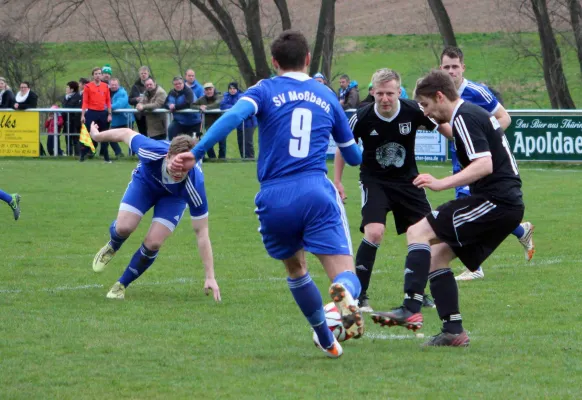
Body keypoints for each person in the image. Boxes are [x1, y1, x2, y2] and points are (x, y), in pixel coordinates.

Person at [169, 30, 364, 358]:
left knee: (296, 269)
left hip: (273, 198)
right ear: (307, 60)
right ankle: (342, 297)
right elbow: (354, 158)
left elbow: (231, 117)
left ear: (274, 63)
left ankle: (326, 339)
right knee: (346, 274)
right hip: (315, 190)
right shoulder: (327, 95)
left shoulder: (263, 90)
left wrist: (197, 152)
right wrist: (357, 144)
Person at [371, 70, 525, 347]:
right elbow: (468, 143)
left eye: (428, 106)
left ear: (440, 96)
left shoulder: (465, 115)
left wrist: (441, 183)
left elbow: (484, 165)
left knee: (418, 231)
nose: (427, 113)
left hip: (496, 202)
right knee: (436, 258)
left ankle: (410, 308)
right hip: (501, 203)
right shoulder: (470, 115)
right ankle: (453, 331)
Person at [334, 68, 449, 312]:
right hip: (375, 181)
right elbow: (342, 148)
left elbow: (444, 127)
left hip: (409, 182)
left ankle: (418, 293)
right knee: (374, 232)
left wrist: (464, 136)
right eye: (380, 94)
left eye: (390, 93)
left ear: (399, 92)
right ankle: (360, 295)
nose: (385, 99)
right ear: (372, 92)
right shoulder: (362, 117)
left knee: (428, 234)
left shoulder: (413, 110)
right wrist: (338, 180)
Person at [89, 122, 220, 301]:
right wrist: (96, 136)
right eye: (176, 164)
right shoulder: (151, 150)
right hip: (146, 183)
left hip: (174, 198)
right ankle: (113, 245)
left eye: (185, 168)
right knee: (124, 228)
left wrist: (210, 276)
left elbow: (202, 232)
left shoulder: (195, 185)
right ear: (168, 156)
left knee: (154, 242)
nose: (179, 172)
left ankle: (121, 284)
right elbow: (125, 133)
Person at [439, 46, 535, 280]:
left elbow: (505, 118)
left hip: (483, 162)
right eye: (446, 67)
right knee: (485, 209)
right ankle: (522, 230)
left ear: (463, 67)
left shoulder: (476, 92)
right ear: (440, 69)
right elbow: (454, 134)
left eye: (455, 66)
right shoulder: (441, 95)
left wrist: (483, 142)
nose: (451, 71)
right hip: (460, 160)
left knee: (467, 206)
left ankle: (475, 267)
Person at [80, 67, 112, 162]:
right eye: (96, 74)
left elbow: (108, 101)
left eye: (99, 74)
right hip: (91, 113)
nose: (98, 76)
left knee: (105, 135)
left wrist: (109, 114)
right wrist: (82, 115)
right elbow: (85, 102)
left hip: (103, 113)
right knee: (88, 134)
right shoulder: (88, 87)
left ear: (101, 75)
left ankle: (106, 157)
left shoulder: (105, 86)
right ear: (93, 75)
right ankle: (83, 155)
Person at [220, 82, 257, 159]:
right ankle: (243, 158)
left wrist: (233, 107)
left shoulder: (241, 96)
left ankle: (250, 158)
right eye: (230, 88)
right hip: (239, 123)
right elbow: (223, 105)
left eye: (234, 88)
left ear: (237, 89)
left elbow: (241, 106)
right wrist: (235, 107)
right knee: (240, 142)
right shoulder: (227, 96)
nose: (232, 90)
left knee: (247, 142)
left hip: (249, 122)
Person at [165, 76, 197, 140]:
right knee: (171, 130)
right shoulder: (171, 92)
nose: (178, 85)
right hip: (179, 121)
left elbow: (188, 104)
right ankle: (172, 148)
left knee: (192, 142)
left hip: (193, 122)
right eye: (176, 84)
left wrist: (175, 107)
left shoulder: (188, 91)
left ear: (183, 83)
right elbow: (165, 103)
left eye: (180, 83)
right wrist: (169, 106)